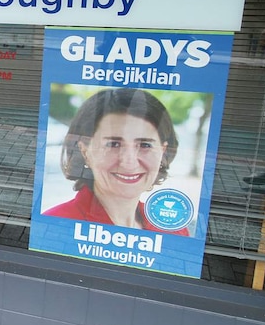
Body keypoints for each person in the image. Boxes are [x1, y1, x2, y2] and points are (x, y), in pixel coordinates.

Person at [43, 88, 189, 235]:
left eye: (145, 145)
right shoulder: (54, 226)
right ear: (85, 151)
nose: (129, 163)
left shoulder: (174, 230)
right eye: (113, 144)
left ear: (162, 152)